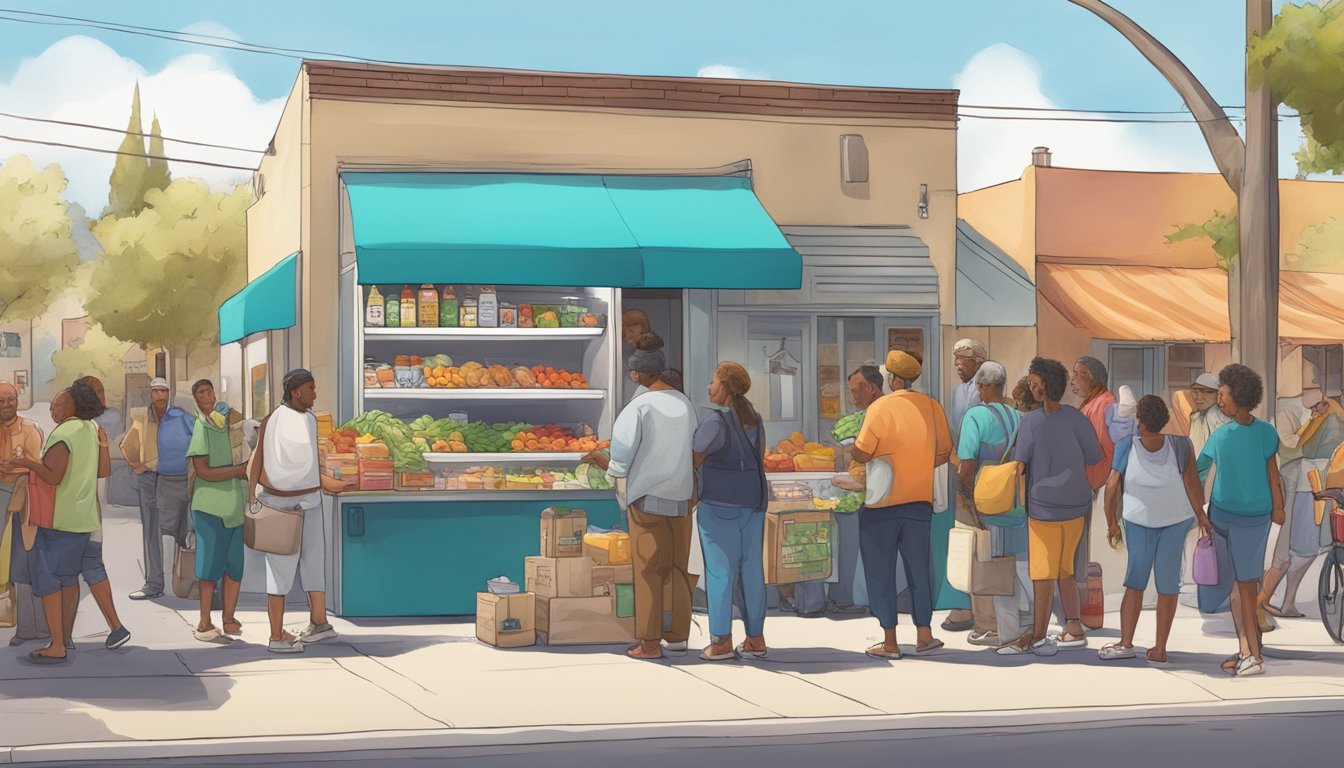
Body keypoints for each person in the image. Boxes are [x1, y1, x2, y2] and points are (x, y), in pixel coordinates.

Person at [583, 334, 697, 660]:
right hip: (682, 499)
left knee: (648, 571)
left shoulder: (640, 406)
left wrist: (615, 478)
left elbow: (620, 454)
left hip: (647, 499)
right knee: (677, 568)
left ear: (640, 374)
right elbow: (694, 448)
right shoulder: (685, 404)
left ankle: (649, 643)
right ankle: (677, 636)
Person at [3, 384, 130, 662]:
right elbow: (103, 471)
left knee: (48, 579)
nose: (52, 409)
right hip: (85, 518)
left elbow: (52, 477)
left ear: (73, 406)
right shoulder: (91, 430)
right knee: (69, 578)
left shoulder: (64, 433)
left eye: (58, 405)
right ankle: (67, 638)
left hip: (58, 518)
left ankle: (57, 644)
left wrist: (27, 462)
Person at [996, 358, 1102, 656]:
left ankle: (1037, 637)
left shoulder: (1031, 422)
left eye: (1033, 383)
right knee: (1065, 570)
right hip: (1076, 506)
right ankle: (1074, 626)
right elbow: (1094, 455)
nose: (1031, 387)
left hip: (1043, 508)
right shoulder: (1077, 418)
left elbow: (1019, 464)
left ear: (1044, 386)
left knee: (1043, 574)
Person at [850, 349, 951, 659]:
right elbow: (945, 452)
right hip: (918, 502)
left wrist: (852, 452)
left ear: (892, 379)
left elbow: (864, 452)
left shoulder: (880, 407)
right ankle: (925, 634)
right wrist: (918, 464)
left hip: (882, 503)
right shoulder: (933, 407)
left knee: (880, 572)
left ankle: (890, 641)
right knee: (919, 569)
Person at [1098, 396, 1211, 663]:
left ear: (1140, 422)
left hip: (1139, 522)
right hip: (1175, 521)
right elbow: (1193, 484)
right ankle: (1160, 648)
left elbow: (1112, 486)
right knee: (1168, 585)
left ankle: (1126, 643)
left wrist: (1111, 522)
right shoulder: (1182, 445)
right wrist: (1201, 516)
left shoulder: (1126, 446)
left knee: (1135, 582)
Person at [247, 369, 348, 654]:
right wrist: (251, 494)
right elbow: (258, 462)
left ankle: (319, 622)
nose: (315, 394)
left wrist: (326, 484)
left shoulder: (312, 420)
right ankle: (276, 636)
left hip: (311, 502)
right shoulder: (273, 420)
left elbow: (310, 464)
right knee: (279, 573)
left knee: (314, 563)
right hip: (280, 506)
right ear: (296, 392)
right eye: (311, 388)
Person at [1196, 364, 1283, 677]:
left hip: (1246, 520)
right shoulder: (1237, 434)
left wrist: (1279, 508)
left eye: (1223, 395)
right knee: (1238, 590)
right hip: (1229, 518)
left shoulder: (1243, 434)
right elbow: (1198, 468)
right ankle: (1247, 650)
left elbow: (1273, 476)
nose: (1219, 401)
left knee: (1245, 589)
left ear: (1240, 397)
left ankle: (1254, 656)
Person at [693, 362, 769, 661]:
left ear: (724, 386)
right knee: (751, 571)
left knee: (720, 572)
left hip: (719, 504)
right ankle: (755, 639)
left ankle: (721, 641)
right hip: (753, 504)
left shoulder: (716, 421)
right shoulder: (755, 418)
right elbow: (759, 457)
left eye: (712, 382)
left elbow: (695, 453)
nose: (709, 387)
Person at [955, 361, 1032, 650]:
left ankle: (1004, 630)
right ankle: (1028, 626)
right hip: (1016, 499)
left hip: (988, 501)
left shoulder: (975, 416)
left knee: (995, 568)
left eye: (979, 385)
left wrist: (965, 493)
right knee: (1021, 565)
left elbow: (967, 464)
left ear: (985, 386)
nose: (978, 390)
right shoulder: (1019, 416)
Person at [1261, 388, 1344, 619]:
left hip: (1310, 485)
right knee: (1300, 550)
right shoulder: (1330, 421)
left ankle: (1276, 602)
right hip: (1310, 486)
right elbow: (1305, 449)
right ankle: (1265, 602)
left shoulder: (1329, 419)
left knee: (1290, 551)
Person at [120, 378, 195, 600]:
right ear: (151, 394)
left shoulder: (180, 417)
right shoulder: (142, 419)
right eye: (156, 392)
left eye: (164, 391)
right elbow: (127, 444)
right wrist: (137, 465)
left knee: (184, 529)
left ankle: (187, 581)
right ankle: (153, 584)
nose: (160, 396)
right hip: (151, 480)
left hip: (177, 478)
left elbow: (194, 439)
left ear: (169, 393)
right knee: (152, 530)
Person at [186, 380, 248, 645]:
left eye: (209, 391)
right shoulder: (201, 426)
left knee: (234, 566)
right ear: (196, 400)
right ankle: (203, 622)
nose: (207, 396)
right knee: (209, 567)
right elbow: (202, 471)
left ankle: (229, 618)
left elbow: (246, 427)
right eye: (201, 394)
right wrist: (239, 470)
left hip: (235, 506)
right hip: (210, 507)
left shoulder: (229, 423)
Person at [825, 364, 886, 614]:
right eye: (850, 391)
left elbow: (848, 457)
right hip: (874, 495)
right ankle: (861, 599)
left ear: (871, 388)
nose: (853, 396)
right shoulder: (859, 421)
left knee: (858, 552)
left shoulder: (869, 419)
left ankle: (850, 599)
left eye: (855, 390)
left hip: (873, 497)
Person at [945, 338, 988, 634]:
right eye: (956, 358)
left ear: (979, 361)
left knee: (981, 542)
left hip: (982, 473)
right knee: (964, 541)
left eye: (964, 358)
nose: (958, 364)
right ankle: (963, 602)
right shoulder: (957, 392)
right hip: (960, 470)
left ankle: (978, 606)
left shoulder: (987, 390)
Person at [1067, 356, 1116, 618]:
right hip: (1088, 483)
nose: (1073, 379)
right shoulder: (1091, 404)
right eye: (1073, 373)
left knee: (1084, 549)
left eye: (1080, 374)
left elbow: (1098, 450)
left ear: (1094, 379)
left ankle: (1084, 606)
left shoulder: (1105, 405)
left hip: (1096, 483)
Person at [1, 382, 47, 646]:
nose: (8, 405)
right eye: (2, 401)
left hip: (23, 496)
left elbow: (36, 466)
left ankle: (30, 628)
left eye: (11, 399)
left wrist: (12, 469)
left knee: (24, 561)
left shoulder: (30, 428)